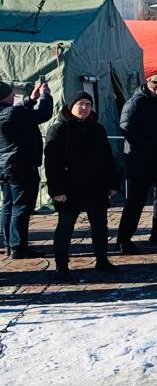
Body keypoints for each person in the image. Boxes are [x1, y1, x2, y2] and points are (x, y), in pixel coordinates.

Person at [44, 92, 119, 277]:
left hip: (96, 186)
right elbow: (51, 162)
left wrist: (112, 183)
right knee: (65, 227)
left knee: (100, 226)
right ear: (71, 106)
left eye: (88, 104)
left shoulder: (97, 129)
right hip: (69, 188)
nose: (84, 108)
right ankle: (61, 265)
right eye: (80, 104)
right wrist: (56, 190)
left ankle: (102, 260)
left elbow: (108, 158)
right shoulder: (59, 129)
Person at [116, 74, 157, 253]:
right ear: (153, 88)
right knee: (135, 201)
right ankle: (124, 239)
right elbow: (127, 128)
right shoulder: (135, 103)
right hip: (141, 161)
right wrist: (151, 147)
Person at [0, 78, 53, 258]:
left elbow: (18, 113)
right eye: (10, 93)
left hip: (5, 166)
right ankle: (18, 247)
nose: (14, 95)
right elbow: (43, 115)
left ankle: (9, 244)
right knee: (21, 207)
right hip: (20, 165)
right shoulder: (10, 114)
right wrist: (46, 96)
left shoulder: (7, 113)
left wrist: (31, 98)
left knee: (7, 206)